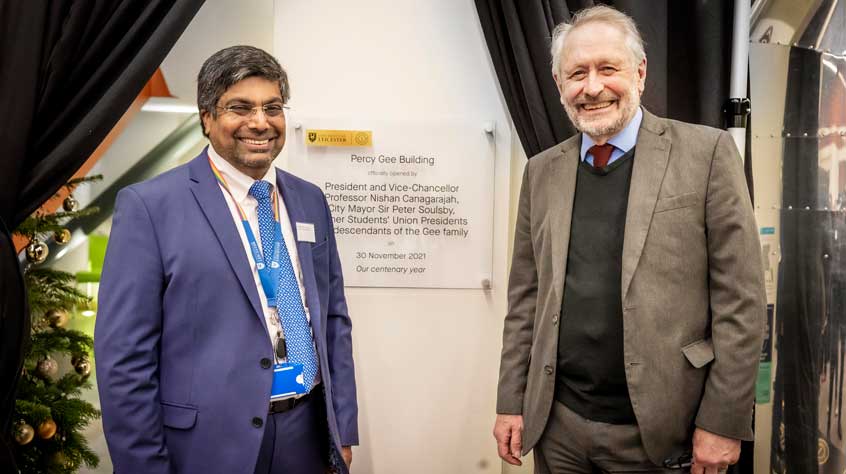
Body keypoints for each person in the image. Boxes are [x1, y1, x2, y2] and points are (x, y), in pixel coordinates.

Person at [492, 6, 765, 474]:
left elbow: (741, 302)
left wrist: (724, 421)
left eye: (607, 68)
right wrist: (510, 400)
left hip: (664, 433)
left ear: (639, 73)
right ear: (559, 86)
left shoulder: (707, 154)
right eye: (577, 73)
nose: (592, 87)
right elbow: (526, 299)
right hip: (558, 431)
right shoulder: (541, 172)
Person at [95, 45, 358, 474]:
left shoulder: (310, 200)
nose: (260, 122)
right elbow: (124, 359)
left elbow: (333, 322)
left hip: (306, 435)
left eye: (272, 107)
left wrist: (341, 429)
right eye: (240, 107)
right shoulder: (150, 206)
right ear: (207, 118)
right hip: (207, 447)